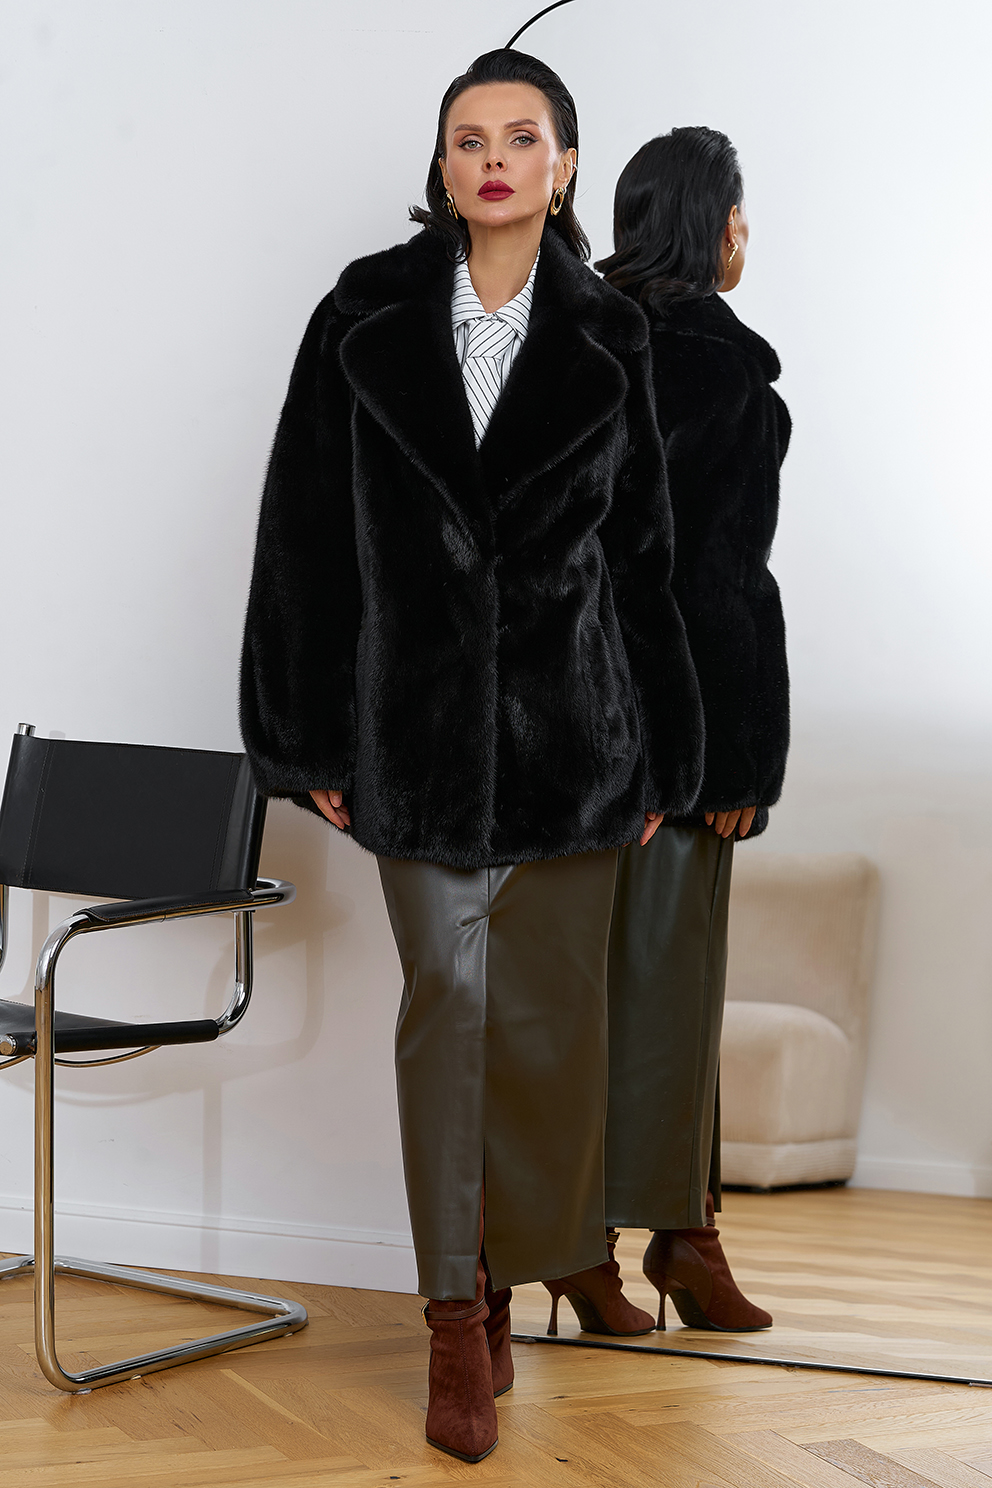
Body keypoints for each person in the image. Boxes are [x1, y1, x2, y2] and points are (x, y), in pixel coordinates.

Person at [240, 52, 704, 1464]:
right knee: (447, 1008)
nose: (492, 158)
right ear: (441, 166)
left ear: (563, 165)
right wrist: (303, 734)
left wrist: (664, 754)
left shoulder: (613, 334)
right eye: (466, 138)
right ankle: (455, 1314)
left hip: (580, 743)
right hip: (416, 737)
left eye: (520, 136)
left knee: (552, 1035)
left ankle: (522, 1271)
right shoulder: (362, 314)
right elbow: (301, 531)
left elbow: (644, 560)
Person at [592, 126, 791, 1333]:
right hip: (675, 740)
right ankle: (679, 1236)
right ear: (710, 226)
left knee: (558, 1004)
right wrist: (738, 762)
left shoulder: (559, 340)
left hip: (557, 736)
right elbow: (721, 584)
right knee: (669, 991)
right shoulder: (720, 374)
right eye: (737, 213)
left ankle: (588, 1250)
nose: (744, 235)